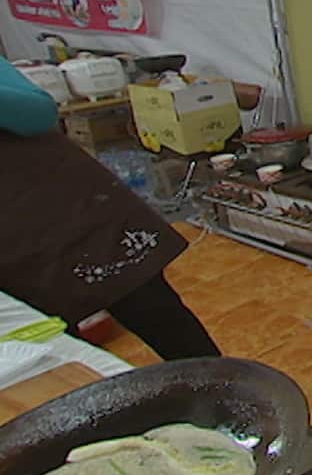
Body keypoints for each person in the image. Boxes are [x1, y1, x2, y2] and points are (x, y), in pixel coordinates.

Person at [0, 57, 221, 361]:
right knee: (52, 354)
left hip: (64, 207)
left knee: (159, 315)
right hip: (10, 248)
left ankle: (226, 394)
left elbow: (38, 114)